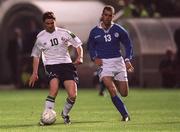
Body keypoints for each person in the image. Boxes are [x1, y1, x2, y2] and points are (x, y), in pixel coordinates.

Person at [29, 11, 83, 125]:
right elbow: (36, 55)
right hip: (51, 65)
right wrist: (34, 73)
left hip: (67, 65)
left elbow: (78, 45)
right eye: (47, 23)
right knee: (54, 90)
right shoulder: (40, 37)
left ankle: (64, 114)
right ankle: (45, 118)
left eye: (52, 23)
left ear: (55, 21)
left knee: (73, 95)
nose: (50, 25)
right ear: (44, 24)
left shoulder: (65, 32)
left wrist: (80, 57)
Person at [87, 5, 134, 122]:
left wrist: (127, 60)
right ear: (102, 16)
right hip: (104, 63)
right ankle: (125, 115)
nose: (107, 18)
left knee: (124, 93)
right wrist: (94, 57)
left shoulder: (119, 30)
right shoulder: (94, 31)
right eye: (105, 15)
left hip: (118, 62)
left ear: (113, 17)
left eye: (110, 16)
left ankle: (117, 89)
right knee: (111, 89)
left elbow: (128, 45)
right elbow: (90, 46)